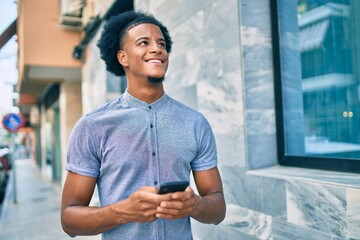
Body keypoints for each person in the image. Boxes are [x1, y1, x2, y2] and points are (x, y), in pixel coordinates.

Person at [61, 10, 226, 240]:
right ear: (123, 58)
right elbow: (69, 221)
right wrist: (123, 212)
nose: (157, 48)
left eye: (161, 43)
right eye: (143, 43)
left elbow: (218, 209)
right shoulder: (92, 126)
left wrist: (194, 205)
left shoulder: (195, 123)